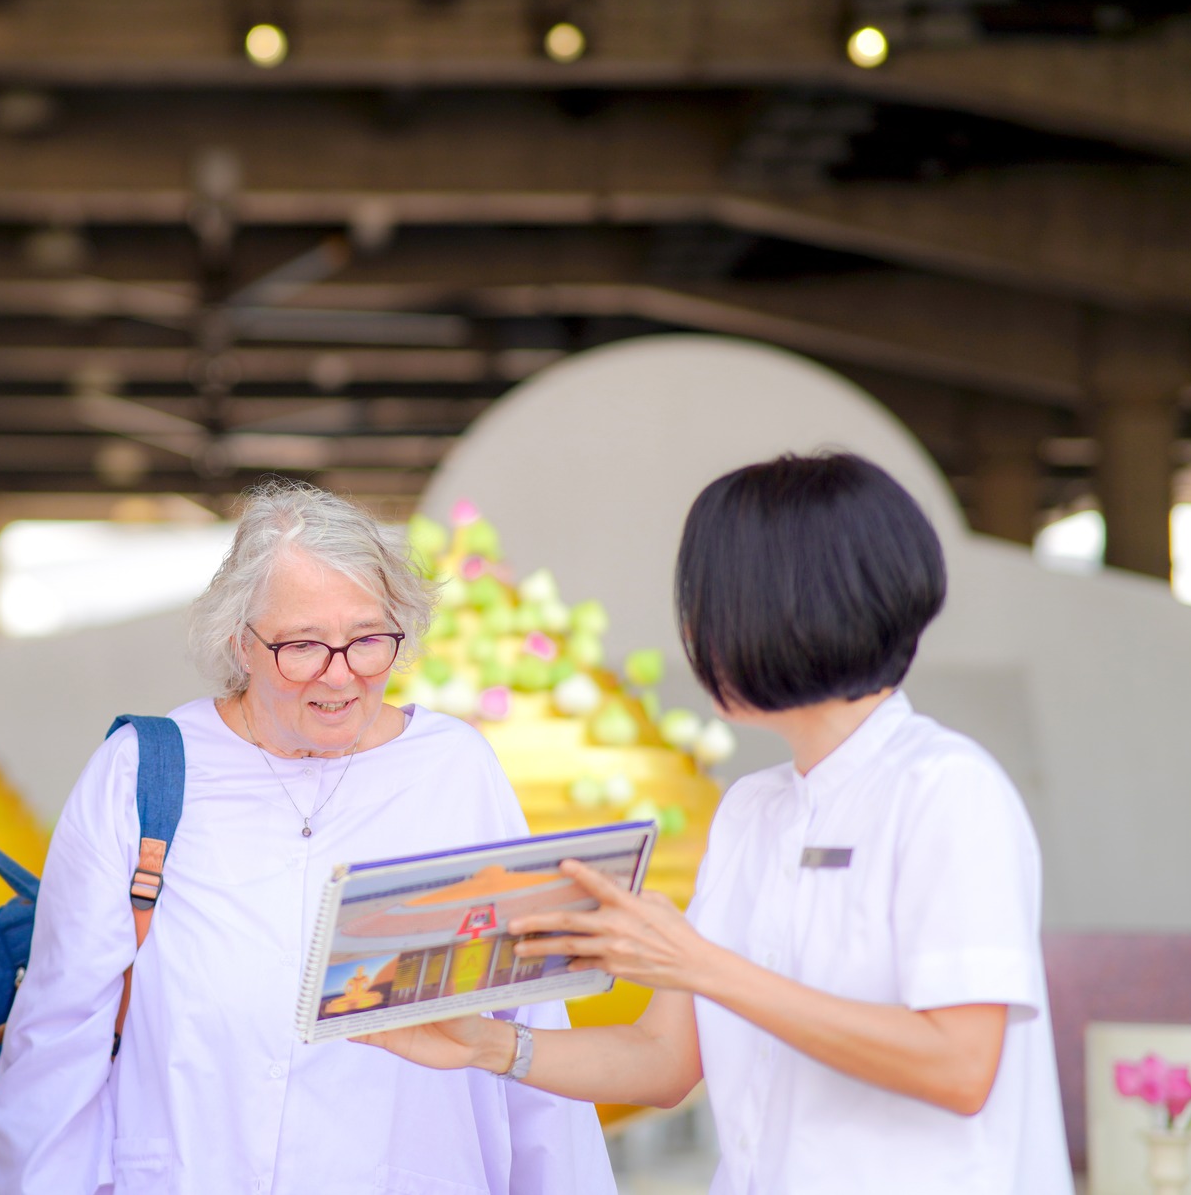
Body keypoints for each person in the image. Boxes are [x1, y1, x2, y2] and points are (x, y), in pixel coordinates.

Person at [362, 452, 1071, 1194]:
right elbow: (664, 1064)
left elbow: (958, 1066)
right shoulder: (751, 811)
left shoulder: (948, 789)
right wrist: (492, 1043)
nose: (696, 631)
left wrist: (700, 963)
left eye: (710, 600)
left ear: (791, 606)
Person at [0, 481, 609, 1195]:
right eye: (303, 645)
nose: (339, 676)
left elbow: (525, 1024)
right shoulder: (142, 772)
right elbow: (56, 1043)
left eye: (369, 639)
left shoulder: (453, 771)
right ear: (238, 640)